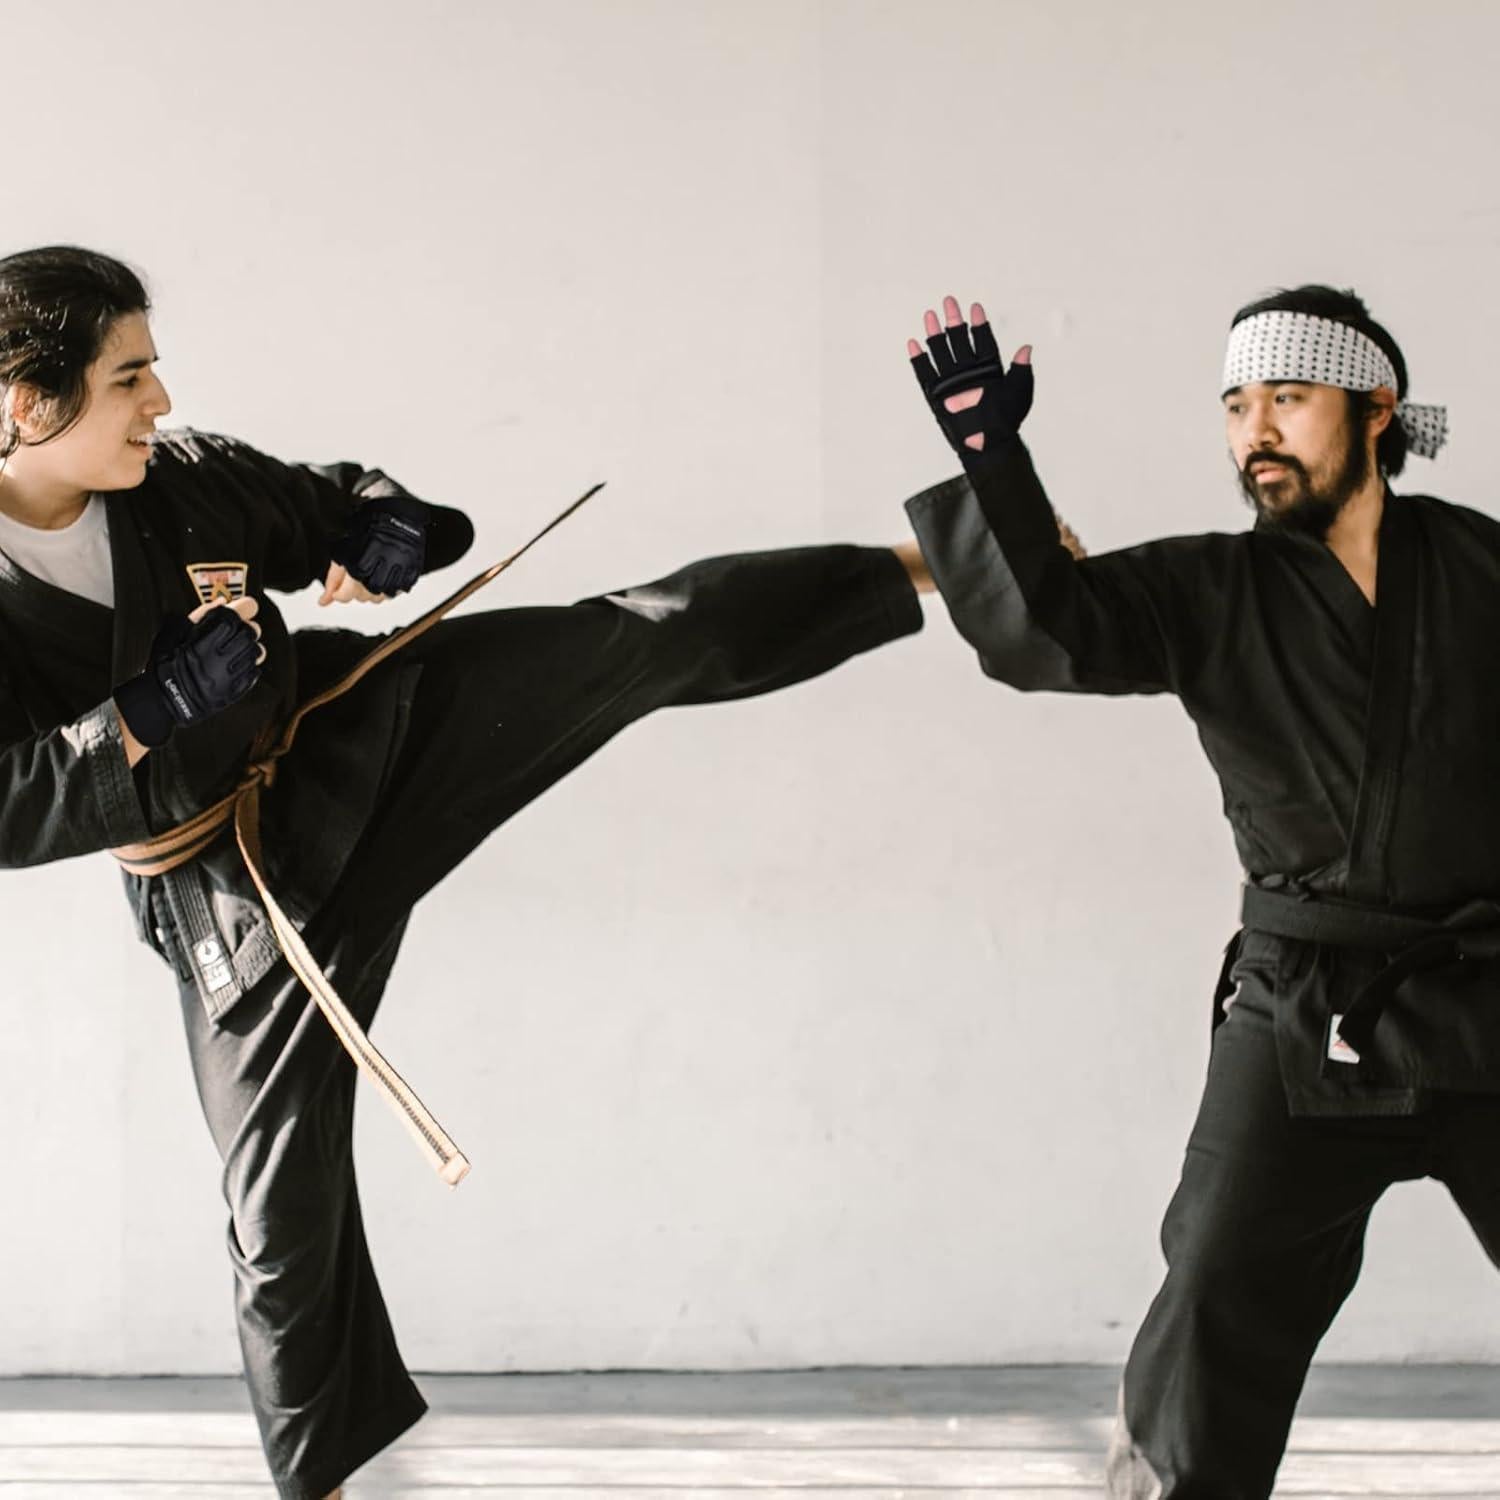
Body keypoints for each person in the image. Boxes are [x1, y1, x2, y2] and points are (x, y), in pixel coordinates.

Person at [0, 244, 952, 1500]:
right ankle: (325, 1484)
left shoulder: (182, 485)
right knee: (280, 1221)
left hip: (355, 740)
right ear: (26, 402)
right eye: (131, 379)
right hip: (235, 893)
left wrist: (399, 527)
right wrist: (149, 710)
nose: (161, 402)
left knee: (625, 640)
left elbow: (340, 504)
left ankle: (928, 564)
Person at [903, 285, 1499, 1498]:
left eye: (1287, 398)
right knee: (1214, 1303)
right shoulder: (1212, 586)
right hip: (1305, 1010)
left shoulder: (1483, 565)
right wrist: (991, 458)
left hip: (1493, 997)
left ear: (1377, 409)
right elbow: (1048, 632)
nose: (1254, 433)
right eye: (1236, 406)